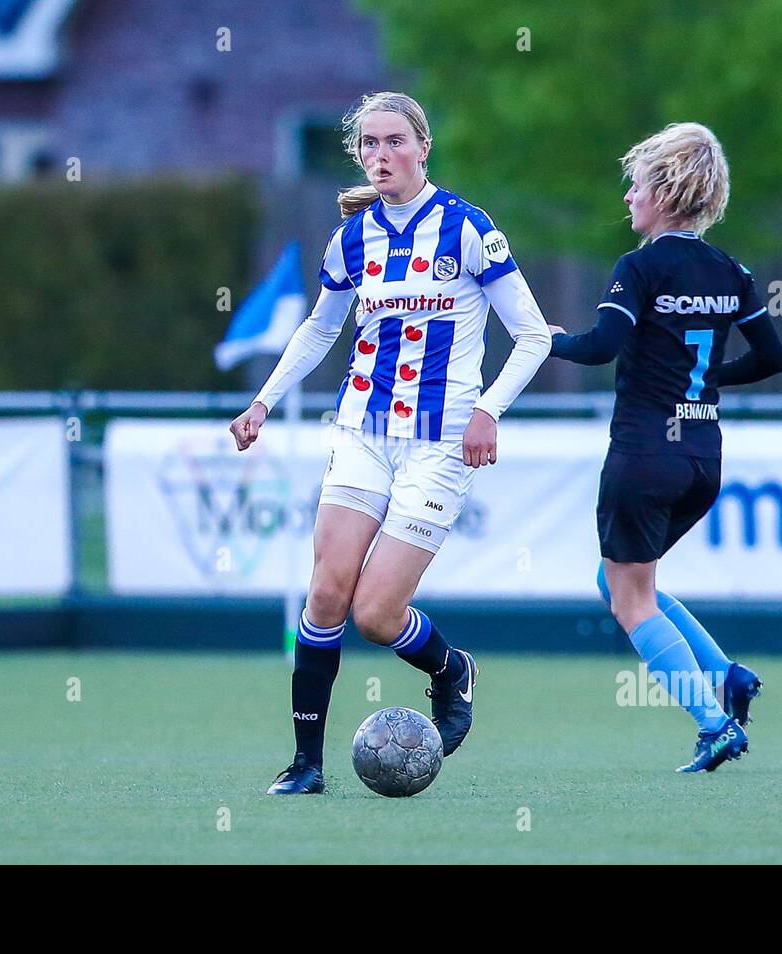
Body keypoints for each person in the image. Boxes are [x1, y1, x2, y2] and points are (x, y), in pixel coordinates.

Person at [230, 91, 552, 794]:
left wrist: (488, 411)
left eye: (394, 142)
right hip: (362, 433)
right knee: (325, 596)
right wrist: (263, 401)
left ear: (422, 145)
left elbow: (533, 335)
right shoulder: (352, 238)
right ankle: (308, 764)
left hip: (439, 443)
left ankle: (452, 669)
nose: (381, 156)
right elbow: (320, 329)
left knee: (376, 616)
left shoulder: (467, 228)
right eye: (369, 145)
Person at [546, 122, 782, 773]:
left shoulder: (641, 267)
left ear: (664, 189)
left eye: (636, 183)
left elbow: (600, 346)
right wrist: (706, 380)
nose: (628, 196)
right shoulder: (729, 269)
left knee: (630, 597)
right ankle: (728, 675)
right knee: (624, 582)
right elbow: (772, 357)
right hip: (701, 459)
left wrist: (548, 340)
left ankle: (714, 725)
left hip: (645, 453)